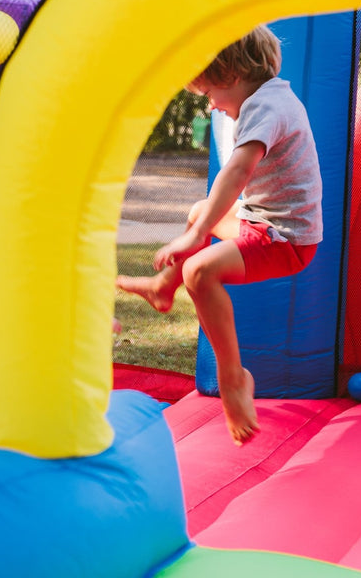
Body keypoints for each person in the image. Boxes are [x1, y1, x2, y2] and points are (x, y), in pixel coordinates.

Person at [117, 25, 323, 446]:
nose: (210, 104)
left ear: (232, 75)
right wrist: (201, 225)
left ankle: (233, 377)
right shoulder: (272, 97)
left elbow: (238, 170)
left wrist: (195, 238)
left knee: (199, 271)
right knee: (199, 213)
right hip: (263, 222)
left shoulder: (265, 106)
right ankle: (163, 287)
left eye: (209, 92)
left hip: (287, 239)